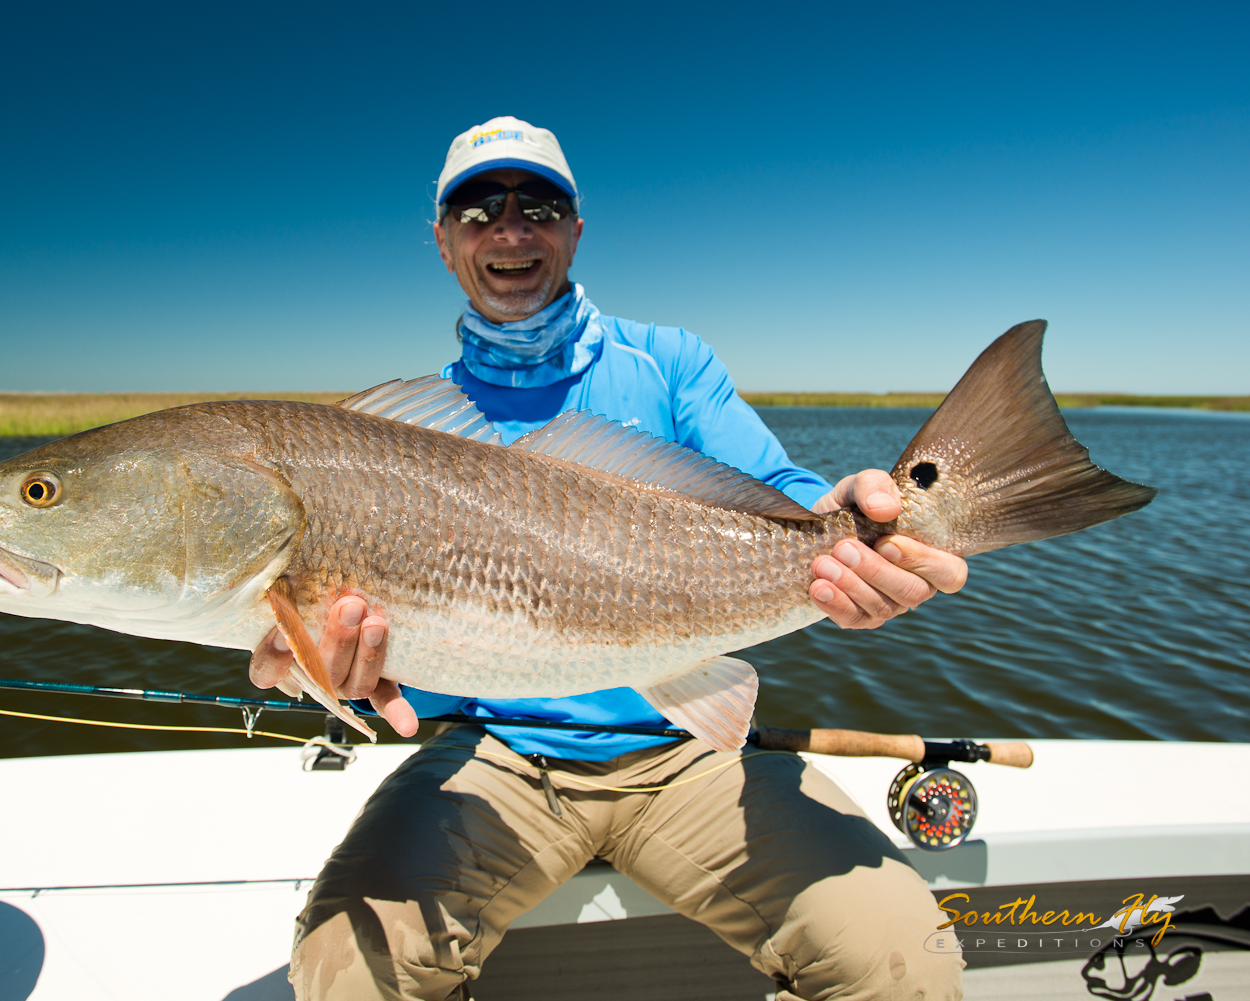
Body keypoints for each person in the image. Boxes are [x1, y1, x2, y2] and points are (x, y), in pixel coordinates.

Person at [251, 116, 969, 1000]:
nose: (510, 229)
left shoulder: (668, 364)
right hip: (497, 755)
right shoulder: (400, 429)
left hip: (687, 750)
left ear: (574, 229)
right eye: (477, 209)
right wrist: (340, 670)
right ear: (443, 242)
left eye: (538, 204)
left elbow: (790, 496)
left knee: (902, 963)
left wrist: (853, 527)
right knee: (344, 976)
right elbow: (443, 664)